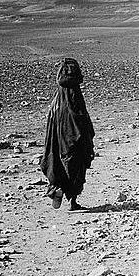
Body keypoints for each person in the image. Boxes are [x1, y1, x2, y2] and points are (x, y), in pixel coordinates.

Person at [40, 58, 96, 211]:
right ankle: (72, 201)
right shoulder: (75, 95)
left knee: (58, 162)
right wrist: (86, 137)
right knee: (76, 165)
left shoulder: (57, 100)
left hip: (58, 139)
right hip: (73, 138)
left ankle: (57, 188)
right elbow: (81, 119)